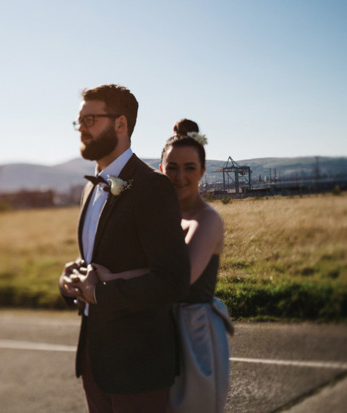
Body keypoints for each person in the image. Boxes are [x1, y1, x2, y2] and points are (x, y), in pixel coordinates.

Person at [58, 84, 191, 412]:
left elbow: (173, 279)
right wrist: (71, 282)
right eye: (79, 121)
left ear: (120, 124)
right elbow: (100, 261)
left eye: (90, 119)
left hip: (138, 364)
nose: (82, 129)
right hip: (94, 358)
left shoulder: (153, 187)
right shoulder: (89, 189)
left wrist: (102, 291)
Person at [95, 118, 234, 412]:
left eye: (189, 168)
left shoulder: (207, 220)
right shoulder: (165, 217)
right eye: (172, 167)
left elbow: (179, 278)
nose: (179, 176)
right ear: (160, 169)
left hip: (193, 329)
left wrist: (113, 278)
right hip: (160, 325)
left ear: (203, 172)